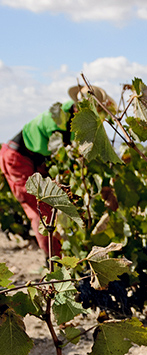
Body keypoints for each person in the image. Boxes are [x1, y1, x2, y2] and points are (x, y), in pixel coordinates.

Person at [1, 85, 115, 256]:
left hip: (37, 160)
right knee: (40, 209)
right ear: (80, 107)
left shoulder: (75, 120)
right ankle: (54, 259)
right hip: (17, 158)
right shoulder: (59, 118)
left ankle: (67, 256)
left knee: (59, 205)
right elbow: (63, 157)